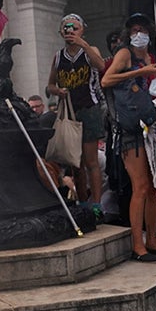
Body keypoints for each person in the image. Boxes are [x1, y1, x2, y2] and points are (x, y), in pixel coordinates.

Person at [102, 13, 156, 261]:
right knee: (140, 186)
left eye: (142, 29)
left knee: (155, 186)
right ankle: (138, 244)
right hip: (131, 128)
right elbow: (107, 79)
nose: (139, 33)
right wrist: (138, 72)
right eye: (134, 29)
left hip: (152, 125)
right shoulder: (125, 54)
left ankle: (153, 239)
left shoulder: (151, 56)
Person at [47, 13, 107, 208]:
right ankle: (82, 202)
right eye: (66, 27)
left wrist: (83, 44)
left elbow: (101, 65)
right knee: (75, 163)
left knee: (91, 161)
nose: (70, 31)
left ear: (82, 30)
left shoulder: (89, 50)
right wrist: (58, 91)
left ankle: (96, 204)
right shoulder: (58, 57)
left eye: (74, 27)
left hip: (89, 108)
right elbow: (50, 85)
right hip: (70, 112)